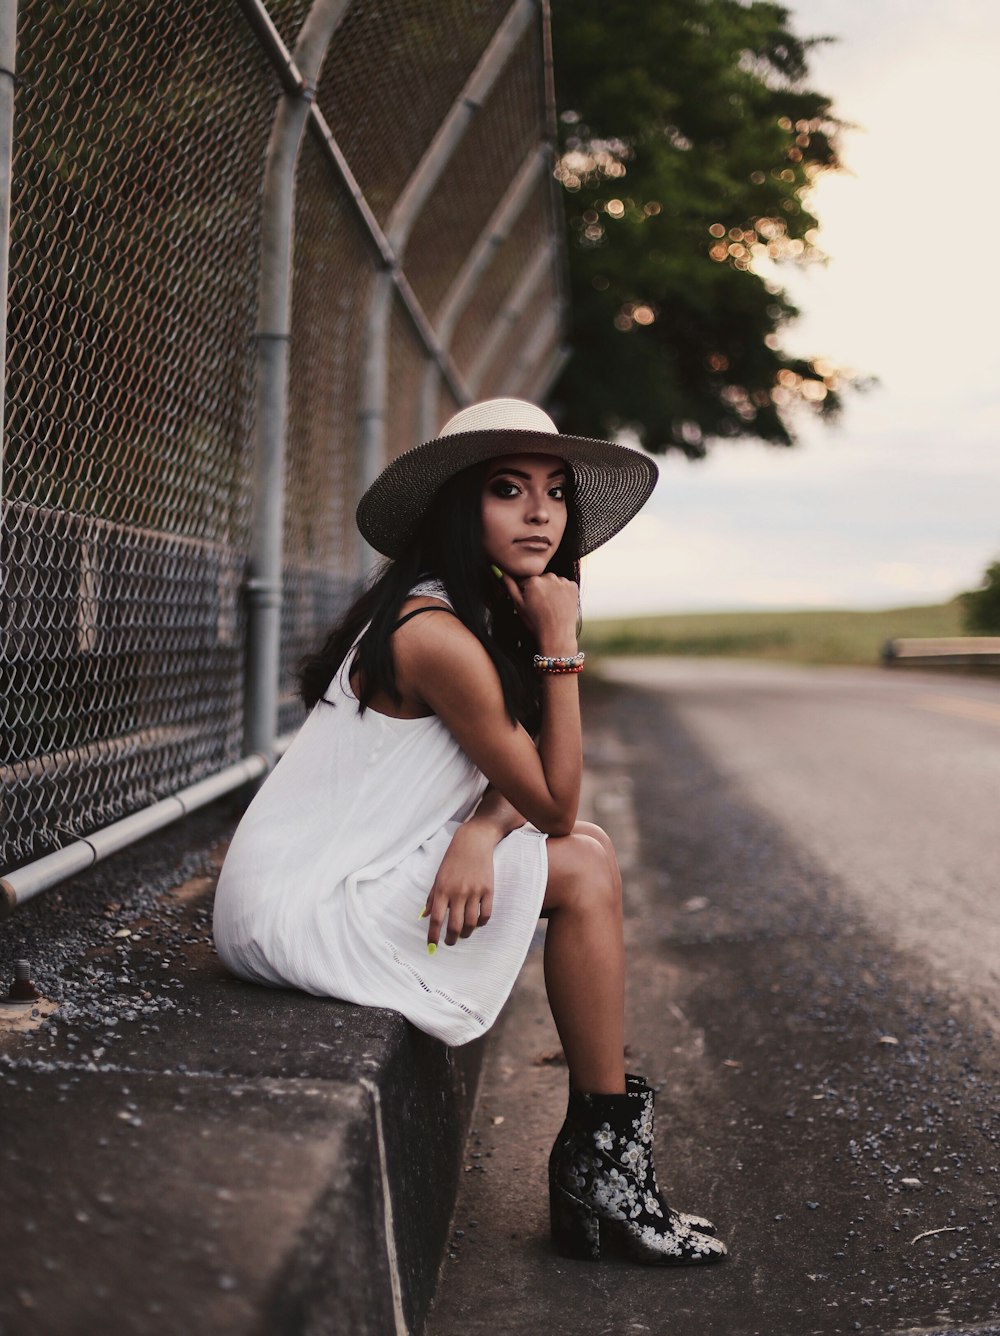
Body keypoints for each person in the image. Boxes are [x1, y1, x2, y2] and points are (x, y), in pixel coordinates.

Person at [213, 398, 727, 1266]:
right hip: (301, 910)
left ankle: (602, 1163)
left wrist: (485, 831)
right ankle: (604, 1167)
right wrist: (563, 646)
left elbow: (518, 788)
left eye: (556, 492)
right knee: (585, 864)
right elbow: (556, 802)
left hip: (311, 887)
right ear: (460, 505)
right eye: (507, 489)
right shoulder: (437, 635)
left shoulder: (461, 610)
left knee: (589, 851)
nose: (541, 513)